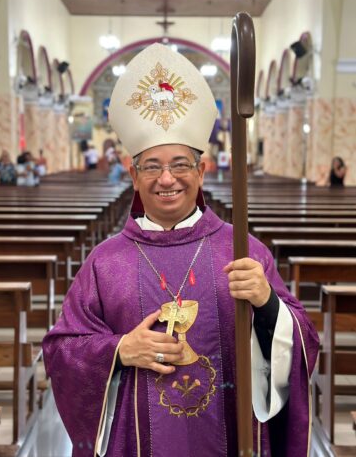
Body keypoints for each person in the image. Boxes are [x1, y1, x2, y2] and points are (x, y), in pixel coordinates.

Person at [43, 44, 319, 457]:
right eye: (152, 166)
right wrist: (118, 350)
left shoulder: (244, 250)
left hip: (231, 430)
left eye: (181, 164)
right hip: (138, 442)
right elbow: (61, 348)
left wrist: (266, 304)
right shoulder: (105, 261)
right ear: (134, 176)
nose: (167, 179)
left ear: (202, 171)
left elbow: (305, 341)